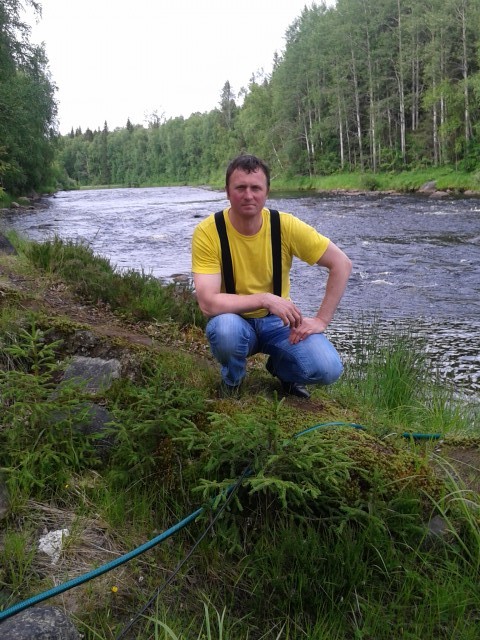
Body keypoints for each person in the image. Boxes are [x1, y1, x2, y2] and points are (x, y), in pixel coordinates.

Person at [191, 154, 352, 399]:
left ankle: (283, 371)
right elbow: (208, 303)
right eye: (240, 188)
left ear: (267, 192)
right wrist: (265, 299)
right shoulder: (208, 232)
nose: (248, 195)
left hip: (279, 324)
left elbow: (341, 263)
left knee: (327, 368)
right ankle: (233, 380)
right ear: (227, 191)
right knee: (224, 331)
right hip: (234, 321)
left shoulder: (284, 226)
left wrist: (321, 320)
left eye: (256, 188)